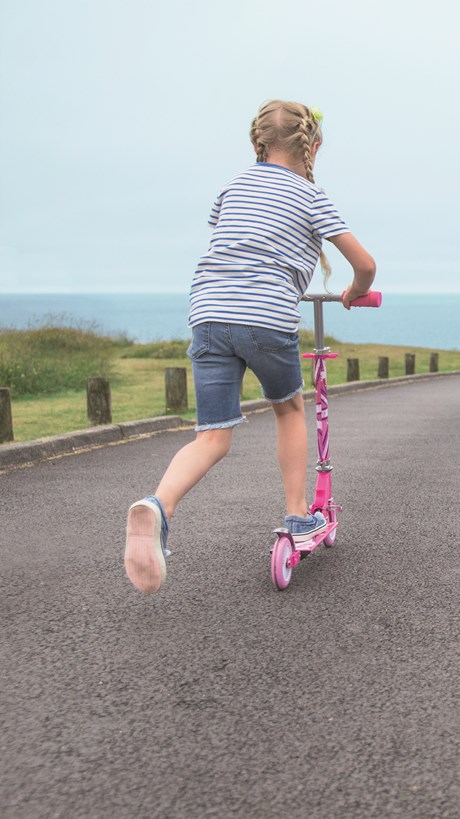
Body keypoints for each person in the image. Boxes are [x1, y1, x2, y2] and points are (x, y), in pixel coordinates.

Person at [124, 100, 377, 593]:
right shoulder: (310, 194)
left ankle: (158, 505)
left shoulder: (232, 186)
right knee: (288, 410)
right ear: (313, 146)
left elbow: (237, 240)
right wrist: (354, 291)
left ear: (257, 144)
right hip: (265, 315)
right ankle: (299, 515)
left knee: (212, 437)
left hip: (209, 313)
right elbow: (364, 263)